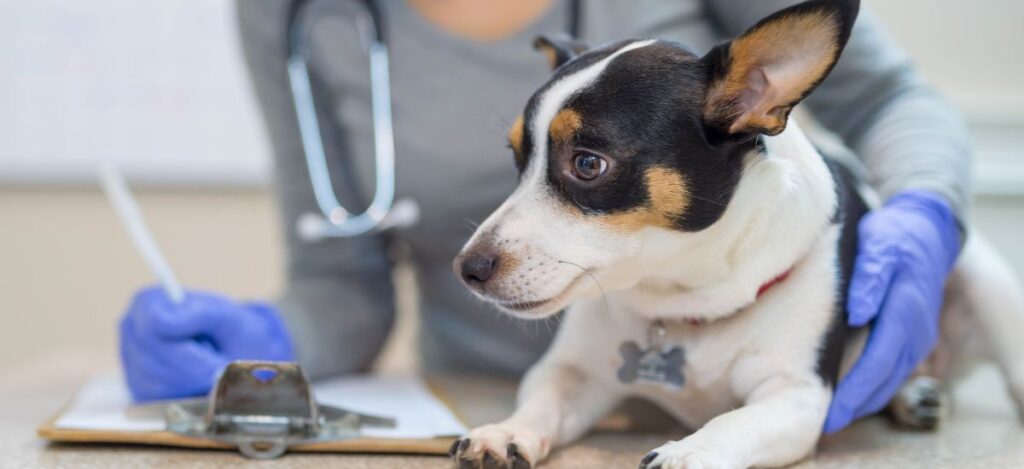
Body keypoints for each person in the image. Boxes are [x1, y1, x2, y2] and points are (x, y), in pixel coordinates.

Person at [119, 0, 969, 434]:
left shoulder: (746, 83)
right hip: (492, 404)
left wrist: (925, 212)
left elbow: (893, 98)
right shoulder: (292, 13)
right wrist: (262, 340)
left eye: (585, 162)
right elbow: (340, 278)